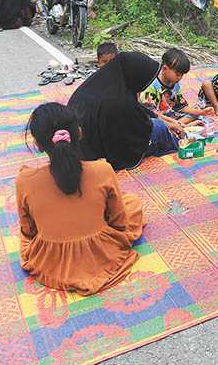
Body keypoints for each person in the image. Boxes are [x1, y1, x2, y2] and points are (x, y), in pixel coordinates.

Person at [16, 102, 144, 293]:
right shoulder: (102, 170)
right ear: (79, 133)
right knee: (132, 202)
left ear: (38, 145)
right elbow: (119, 222)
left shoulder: (24, 180)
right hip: (102, 254)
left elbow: (29, 230)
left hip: (52, 262)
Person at [68, 52, 181, 171]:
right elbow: (136, 128)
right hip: (94, 150)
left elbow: (136, 109)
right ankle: (179, 145)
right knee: (159, 129)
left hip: (78, 144)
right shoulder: (118, 102)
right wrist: (162, 125)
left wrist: (165, 120)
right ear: (135, 75)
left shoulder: (102, 82)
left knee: (158, 123)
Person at [141, 48, 215, 125]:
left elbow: (180, 107)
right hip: (157, 117)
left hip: (171, 115)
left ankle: (178, 124)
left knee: (195, 112)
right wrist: (171, 122)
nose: (179, 78)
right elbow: (151, 113)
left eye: (182, 75)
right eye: (177, 74)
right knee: (154, 123)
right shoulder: (152, 87)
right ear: (164, 69)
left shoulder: (175, 83)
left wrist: (202, 112)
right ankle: (178, 125)